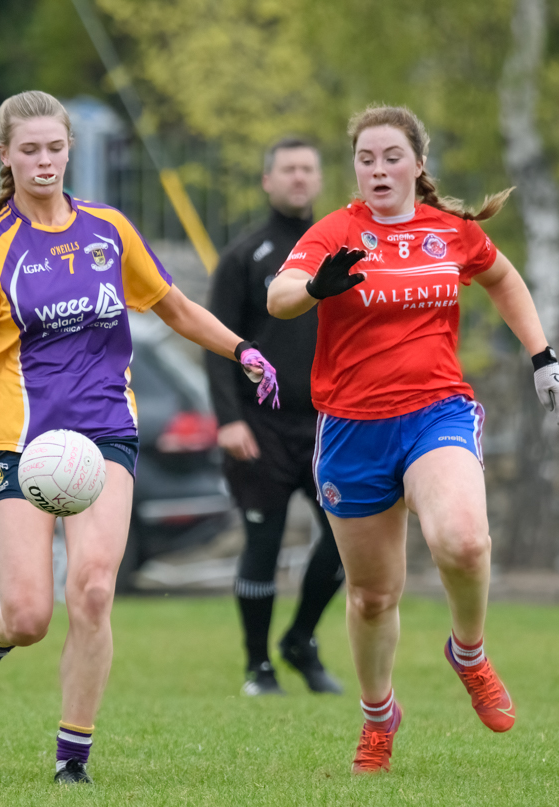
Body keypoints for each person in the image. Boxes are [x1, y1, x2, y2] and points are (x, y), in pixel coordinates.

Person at [0, 90, 280, 787]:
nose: (43, 161)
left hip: (102, 435)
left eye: (54, 147)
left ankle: (73, 758)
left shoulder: (107, 231)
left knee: (93, 588)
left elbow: (176, 307)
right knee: (32, 613)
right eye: (28, 149)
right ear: (4, 155)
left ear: (70, 150)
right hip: (14, 440)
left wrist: (241, 349)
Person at [267, 105, 559, 773]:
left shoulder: (450, 232)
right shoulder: (335, 231)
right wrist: (314, 288)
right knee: (372, 595)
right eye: (365, 158)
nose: (377, 169)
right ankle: (378, 715)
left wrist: (542, 356)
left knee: (463, 540)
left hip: (435, 410)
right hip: (351, 427)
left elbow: (500, 275)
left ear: (416, 163)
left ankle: (467, 650)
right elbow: (279, 294)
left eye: (390, 157)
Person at [205, 137, 344, 697]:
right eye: (287, 169)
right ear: (268, 180)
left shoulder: (335, 252)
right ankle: (257, 666)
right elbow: (215, 341)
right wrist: (228, 419)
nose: (299, 178)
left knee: (345, 541)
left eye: (308, 168)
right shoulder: (247, 255)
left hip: (329, 426)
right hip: (259, 429)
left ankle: (300, 640)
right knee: (262, 544)